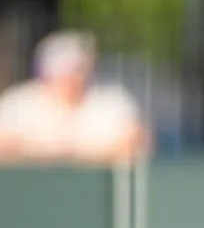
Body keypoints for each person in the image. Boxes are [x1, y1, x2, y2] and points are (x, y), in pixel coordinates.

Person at [0, 30, 151, 167]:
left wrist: (73, 157)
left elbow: (135, 144)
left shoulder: (113, 101)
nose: (71, 79)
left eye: (77, 70)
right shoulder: (18, 102)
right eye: (63, 71)